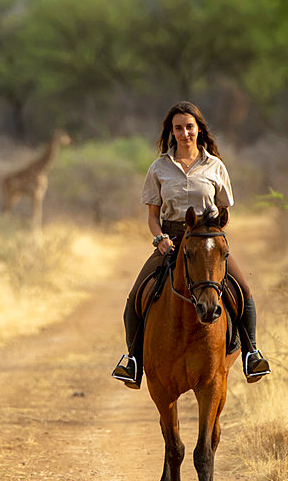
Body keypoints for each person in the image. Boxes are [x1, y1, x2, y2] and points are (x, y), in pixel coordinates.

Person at [111, 100, 270, 388]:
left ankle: (251, 354)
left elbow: (225, 213)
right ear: (170, 132)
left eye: (189, 127)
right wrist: (160, 239)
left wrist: (212, 239)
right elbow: (151, 215)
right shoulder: (159, 168)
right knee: (135, 296)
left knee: (244, 291)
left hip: (206, 241)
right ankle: (133, 362)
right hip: (170, 240)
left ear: (199, 129)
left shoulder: (216, 166)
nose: (184, 133)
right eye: (178, 128)